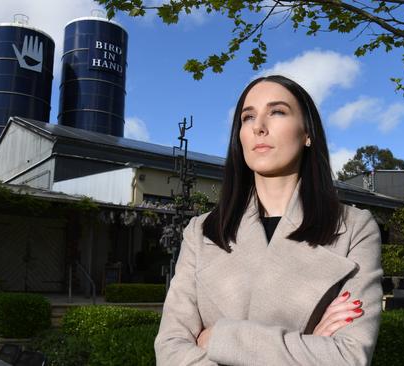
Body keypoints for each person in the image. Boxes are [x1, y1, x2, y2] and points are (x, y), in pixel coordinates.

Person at [154, 75, 383, 366]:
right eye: (248, 117)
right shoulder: (201, 232)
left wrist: (222, 338)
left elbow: (348, 357)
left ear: (307, 133)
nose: (259, 127)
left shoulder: (354, 228)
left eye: (277, 112)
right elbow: (171, 350)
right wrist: (308, 344)